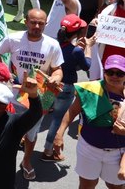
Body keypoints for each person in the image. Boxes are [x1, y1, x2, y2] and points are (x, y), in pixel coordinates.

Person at [0, 8, 64, 180]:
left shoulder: (52, 45)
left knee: (32, 133)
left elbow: (58, 69)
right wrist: (3, 69)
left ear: (45, 24)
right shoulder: (13, 38)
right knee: (8, 129)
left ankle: (26, 161)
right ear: (26, 21)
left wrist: (55, 78)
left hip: (40, 97)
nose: (37, 26)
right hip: (15, 93)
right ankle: (5, 160)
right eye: (33, 22)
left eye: (41, 23)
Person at [53, 55, 125, 189]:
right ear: (104, 73)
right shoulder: (90, 90)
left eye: (120, 73)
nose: (114, 76)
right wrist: (59, 133)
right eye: (110, 72)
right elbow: (72, 111)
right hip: (89, 149)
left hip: (118, 153)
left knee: (115, 186)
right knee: (87, 185)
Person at [41, 14, 93, 163]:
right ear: (76, 33)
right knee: (57, 120)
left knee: (39, 114)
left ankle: (25, 139)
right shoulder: (75, 51)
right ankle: (48, 151)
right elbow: (87, 66)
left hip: (50, 84)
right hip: (66, 88)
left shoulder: (52, 44)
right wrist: (88, 48)